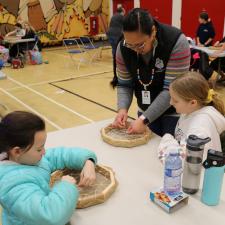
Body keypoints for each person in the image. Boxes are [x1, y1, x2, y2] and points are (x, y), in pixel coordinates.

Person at [0, 111, 97, 225]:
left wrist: (88, 161)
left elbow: (61, 154)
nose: (44, 152)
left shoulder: (29, 158)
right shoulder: (13, 185)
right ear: (17, 151)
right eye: (39, 149)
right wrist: (66, 186)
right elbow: (50, 216)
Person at [112, 8, 190, 136]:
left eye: (140, 45)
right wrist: (122, 109)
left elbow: (172, 90)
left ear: (153, 32)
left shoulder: (176, 42)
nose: (135, 50)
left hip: (175, 111)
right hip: (145, 110)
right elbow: (124, 84)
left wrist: (144, 119)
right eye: (130, 45)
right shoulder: (123, 47)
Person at [158, 72, 225, 162]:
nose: (171, 103)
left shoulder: (200, 128)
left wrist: (167, 139)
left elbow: (179, 160)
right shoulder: (190, 110)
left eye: (175, 100)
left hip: (199, 173)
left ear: (193, 102)